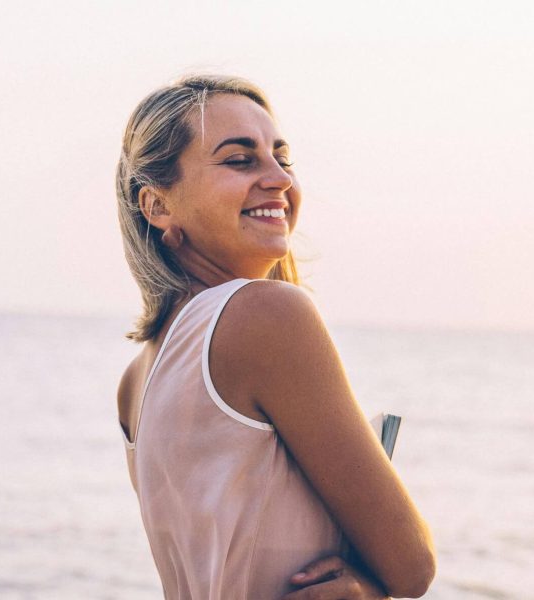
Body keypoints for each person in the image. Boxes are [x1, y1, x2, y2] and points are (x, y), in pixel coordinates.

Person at [114, 74, 436, 599]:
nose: (279, 179)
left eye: (282, 159)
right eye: (240, 160)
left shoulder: (138, 376)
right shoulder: (266, 314)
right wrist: (367, 588)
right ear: (157, 205)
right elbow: (413, 567)